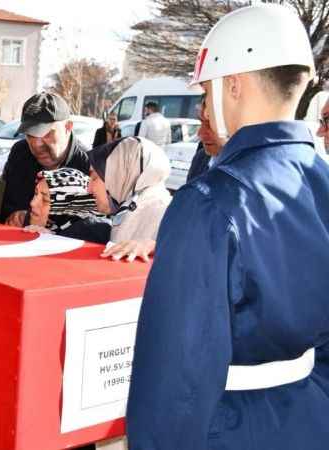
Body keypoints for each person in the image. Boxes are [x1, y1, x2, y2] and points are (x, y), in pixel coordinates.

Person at [127, 5, 329, 449]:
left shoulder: (209, 203)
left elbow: (176, 380)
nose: (203, 105)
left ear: (232, 84)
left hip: (232, 429)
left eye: (206, 91)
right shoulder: (323, 181)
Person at [1, 92, 90, 227]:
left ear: (68, 127)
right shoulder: (20, 153)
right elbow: (6, 206)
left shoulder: (90, 166)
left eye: (47, 133)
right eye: (30, 135)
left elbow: (89, 227)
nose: (37, 144)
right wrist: (14, 216)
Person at [86, 136, 171, 261]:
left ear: (119, 175)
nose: (89, 189)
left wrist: (154, 246)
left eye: (94, 178)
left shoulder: (166, 212)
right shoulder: (132, 208)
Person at [24, 167, 111, 243]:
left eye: (45, 200)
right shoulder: (33, 218)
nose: (33, 203)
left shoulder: (93, 232)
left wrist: (52, 242)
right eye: (35, 194)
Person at [186, 96, 227, 183]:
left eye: (211, 125)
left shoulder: (251, 168)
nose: (200, 134)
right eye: (201, 123)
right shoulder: (200, 158)